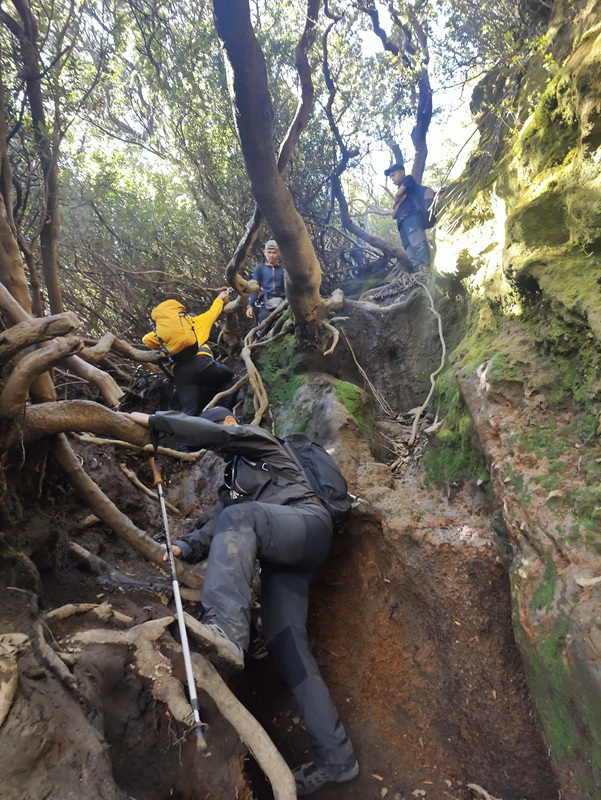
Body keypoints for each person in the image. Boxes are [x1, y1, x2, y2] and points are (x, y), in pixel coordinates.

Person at [122, 406, 359, 796]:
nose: (216, 445)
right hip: (284, 562)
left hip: (307, 524)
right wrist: (182, 547)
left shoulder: (257, 441)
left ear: (230, 422)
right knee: (287, 646)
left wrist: (157, 422)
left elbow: (221, 440)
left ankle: (227, 630)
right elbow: (218, 527)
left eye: (215, 429)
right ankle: (337, 758)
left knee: (240, 518)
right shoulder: (232, 485)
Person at [142, 294, 235, 416]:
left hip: (181, 374)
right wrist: (219, 298)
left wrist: (163, 348)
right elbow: (213, 311)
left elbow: (146, 339)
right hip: (202, 364)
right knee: (229, 378)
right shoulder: (199, 321)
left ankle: (191, 426)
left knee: (189, 412)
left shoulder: (162, 332)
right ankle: (225, 415)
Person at [385, 162, 432, 273]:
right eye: (390, 177)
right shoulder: (401, 194)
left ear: (402, 172)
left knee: (419, 244)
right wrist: (399, 203)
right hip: (401, 225)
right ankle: (419, 273)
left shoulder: (408, 180)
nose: (392, 179)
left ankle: (426, 269)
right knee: (410, 252)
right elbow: (393, 215)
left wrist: (397, 200)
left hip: (411, 217)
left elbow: (398, 194)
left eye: (393, 175)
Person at [245, 239, 286, 323]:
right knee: (264, 324)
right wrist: (250, 305)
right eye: (269, 252)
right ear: (265, 253)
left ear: (278, 253)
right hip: (266, 302)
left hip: (283, 302)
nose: (271, 255)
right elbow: (255, 288)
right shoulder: (260, 268)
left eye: (274, 252)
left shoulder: (284, 268)